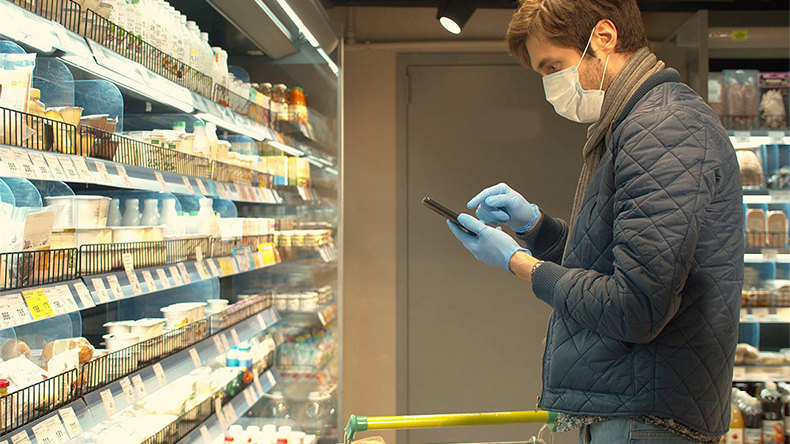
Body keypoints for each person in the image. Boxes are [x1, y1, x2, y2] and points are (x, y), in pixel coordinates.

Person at [446, 1, 744, 443]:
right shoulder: (638, 122)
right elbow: (616, 262)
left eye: (553, 67)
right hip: (635, 406)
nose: (550, 86)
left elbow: (635, 306)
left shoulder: (663, 127)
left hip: (647, 417)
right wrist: (535, 228)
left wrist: (519, 263)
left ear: (603, 38)